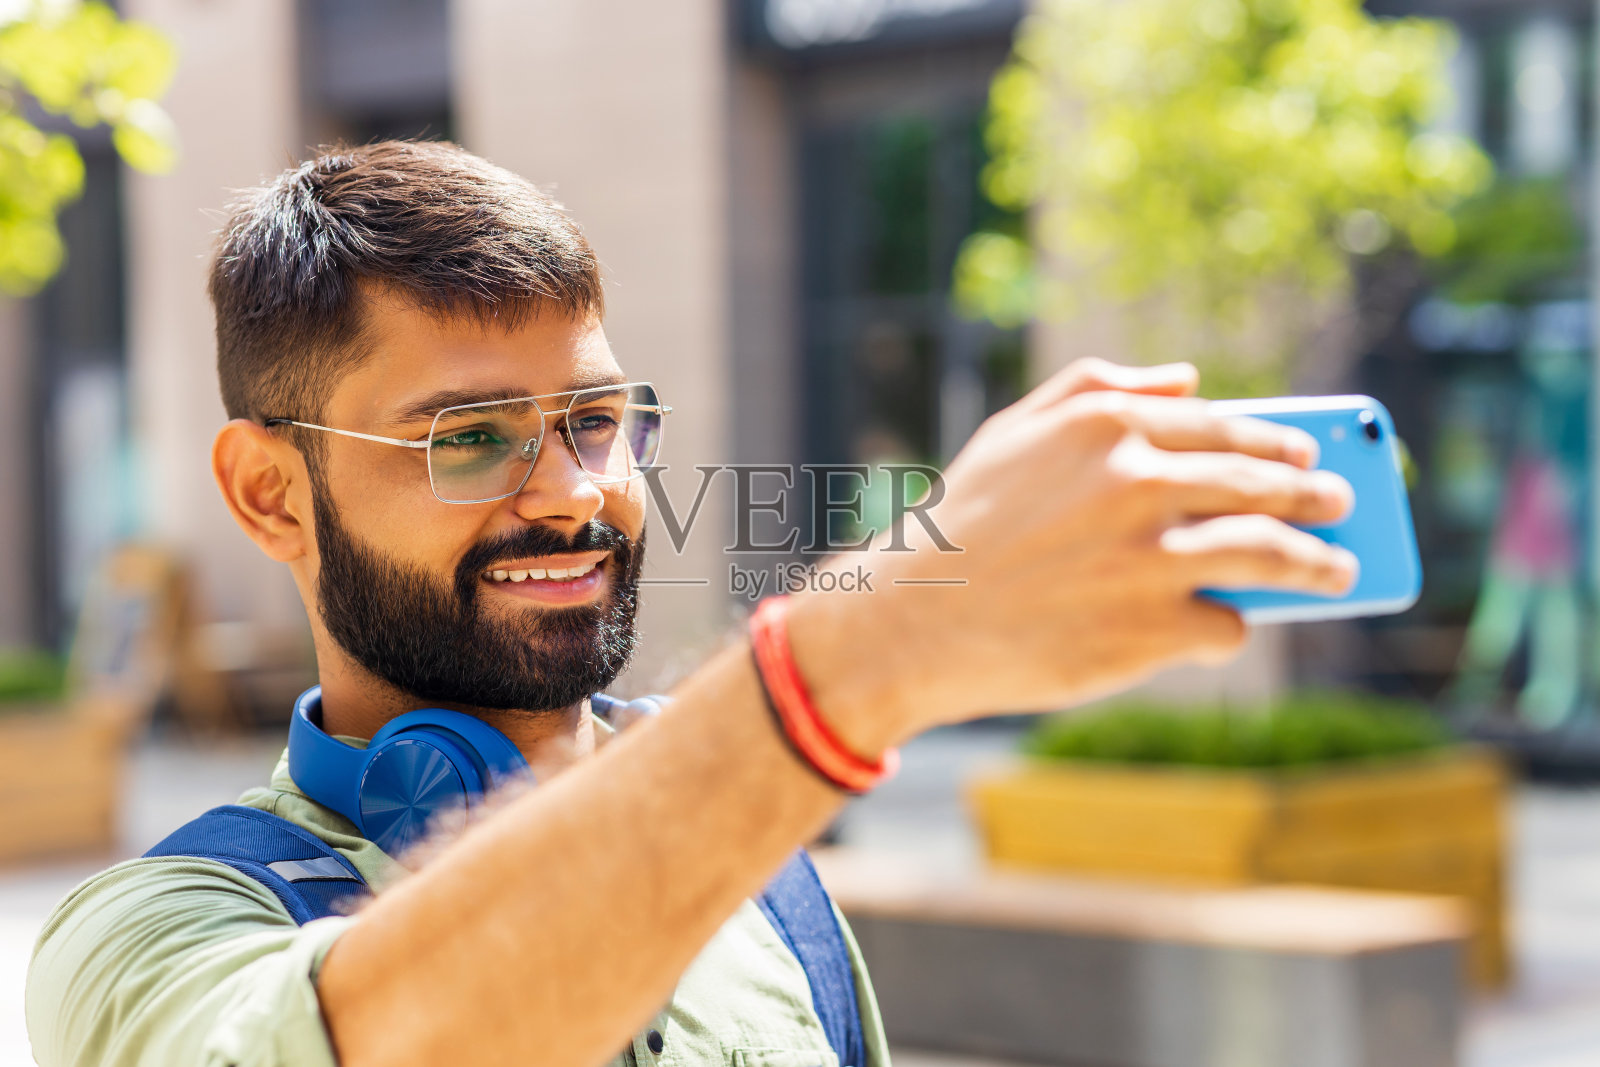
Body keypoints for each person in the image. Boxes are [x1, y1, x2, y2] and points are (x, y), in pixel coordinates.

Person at [26, 140, 1356, 1067]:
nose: (575, 494)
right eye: (470, 438)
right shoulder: (155, 934)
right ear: (269, 494)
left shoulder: (762, 855)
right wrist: (862, 653)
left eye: (597, 421)